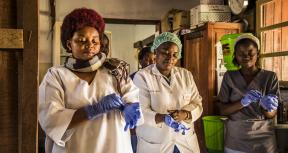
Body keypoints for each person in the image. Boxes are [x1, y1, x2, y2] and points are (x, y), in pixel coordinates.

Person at [38, 8, 143, 153]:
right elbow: (50, 118)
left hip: (115, 147)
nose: (90, 45)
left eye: (95, 40)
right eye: (82, 40)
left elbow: (133, 99)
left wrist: (131, 108)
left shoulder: (115, 71)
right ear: (69, 44)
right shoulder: (57, 75)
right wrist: (94, 109)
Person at [133, 32, 203, 153]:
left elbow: (197, 103)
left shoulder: (186, 75)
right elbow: (140, 111)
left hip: (185, 141)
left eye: (175, 54)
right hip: (156, 144)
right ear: (155, 53)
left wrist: (185, 114)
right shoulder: (142, 76)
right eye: (165, 52)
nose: (170, 57)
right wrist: (163, 118)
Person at [217, 34, 279, 153]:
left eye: (250, 52)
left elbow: (271, 114)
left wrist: (267, 106)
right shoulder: (229, 76)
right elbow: (223, 110)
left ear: (258, 53)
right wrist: (242, 102)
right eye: (241, 53)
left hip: (264, 138)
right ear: (235, 55)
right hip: (236, 138)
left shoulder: (270, 77)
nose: (246, 56)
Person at [130, 46, 155, 153]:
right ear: (140, 61)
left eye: (154, 59)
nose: (151, 63)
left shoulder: (158, 78)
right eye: (147, 59)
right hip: (137, 122)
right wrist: (132, 128)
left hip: (153, 122)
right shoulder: (132, 78)